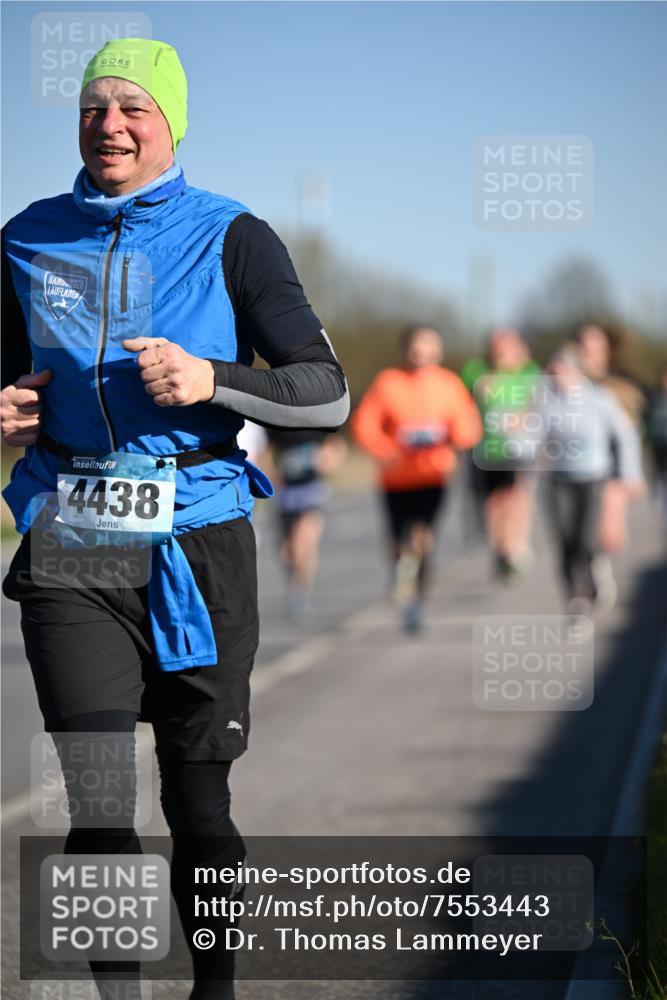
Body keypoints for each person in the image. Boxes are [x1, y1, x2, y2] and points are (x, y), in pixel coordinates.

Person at [1, 38, 348, 1000]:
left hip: (200, 536)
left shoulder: (234, 235)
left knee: (198, 801)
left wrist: (214, 380)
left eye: (133, 108)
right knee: (100, 797)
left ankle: (215, 988)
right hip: (77, 532)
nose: (110, 124)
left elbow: (325, 393)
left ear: (169, 123)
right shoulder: (26, 239)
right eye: (92, 106)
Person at [351, 324, 482, 633]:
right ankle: (402, 574)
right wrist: (384, 449)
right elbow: (365, 424)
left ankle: (416, 604)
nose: (421, 353)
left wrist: (456, 439)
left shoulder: (449, 384)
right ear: (406, 349)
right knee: (398, 544)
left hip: (433, 474)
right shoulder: (388, 382)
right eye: (416, 346)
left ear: (438, 351)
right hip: (395, 478)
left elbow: (468, 425)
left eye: (428, 347)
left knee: (422, 539)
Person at [539, 346, 644, 619]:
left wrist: (629, 474)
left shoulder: (599, 399)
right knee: (564, 540)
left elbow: (625, 436)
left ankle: (593, 571)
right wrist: (512, 443)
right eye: (553, 372)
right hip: (558, 478)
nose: (557, 377)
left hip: (593, 478)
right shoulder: (544, 401)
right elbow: (530, 438)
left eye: (562, 371)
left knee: (586, 538)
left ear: (576, 371)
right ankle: (575, 598)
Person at [463, 327, 542, 580]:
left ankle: (515, 544)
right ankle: (500, 548)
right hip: (485, 449)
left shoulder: (528, 372)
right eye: (496, 346)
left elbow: (540, 399)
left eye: (507, 345)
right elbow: (467, 391)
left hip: (517, 448)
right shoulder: (477, 371)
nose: (501, 351)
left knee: (517, 495)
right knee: (493, 501)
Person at [574, 323, 648, 554]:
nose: (590, 351)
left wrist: (633, 473)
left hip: (613, 464)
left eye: (595, 345)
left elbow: (631, 431)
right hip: (580, 462)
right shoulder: (568, 381)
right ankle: (591, 570)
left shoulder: (621, 383)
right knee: (583, 528)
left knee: (610, 533)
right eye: (585, 346)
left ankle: (599, 567)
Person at [267, 428, 346, 622]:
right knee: (286, 551)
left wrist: (328, 460)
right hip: (285, 491)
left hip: (311, 489)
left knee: (304, 543)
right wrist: (269, 473)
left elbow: (336, 443)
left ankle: (301, 594)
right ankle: (295, 583)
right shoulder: (276, 421)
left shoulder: (315, 418)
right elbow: (267, 451)